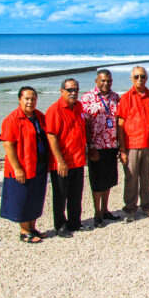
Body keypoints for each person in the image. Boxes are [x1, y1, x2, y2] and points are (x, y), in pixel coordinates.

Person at [0, 87, 49, 243]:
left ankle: (33, 227)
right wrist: (17, 168)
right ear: (20, 99)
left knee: (36, 196)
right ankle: (24, 231)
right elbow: (8, 144)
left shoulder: (39, 116)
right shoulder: (13, 119)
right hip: (23, 165)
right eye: (27, 98)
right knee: (23, 197)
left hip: (39, 164)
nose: (30, 101)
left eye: (33, 98)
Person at [117, 66, 149, 222]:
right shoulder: (125, 98)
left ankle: (147, 207)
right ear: (131, 78)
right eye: (136, 77)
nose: (140, 79)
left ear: (147, 78)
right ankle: (130, 209)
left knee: (146, 177)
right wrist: (122, 149)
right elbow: (120, 125)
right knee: (131, 178)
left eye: (142, 76)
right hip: (132, 145)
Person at [46, 78, 89, 238]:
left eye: (76, 90)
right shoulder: (54, 110)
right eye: (70, 90)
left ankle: (75, 222)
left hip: (78, 160)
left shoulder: (78, 106)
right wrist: (60, 161)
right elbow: (51, 136)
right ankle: (60, 225)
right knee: (60, 195)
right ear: (62, 91)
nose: (73, 93)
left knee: (76, 195)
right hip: (62, 162)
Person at [80, 69, 122, 228]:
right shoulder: (87, 98)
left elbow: (119, 120)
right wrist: (90, 146)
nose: (106, 83)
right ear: (96, 81)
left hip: (111, 145)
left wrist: (120, 144)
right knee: (97, 181)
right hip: (96, 146)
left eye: (109, 81)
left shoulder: (115, 97)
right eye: (103, 81)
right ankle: (96, 213)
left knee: (109, 179)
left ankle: (105, 209)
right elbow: (85, 124)